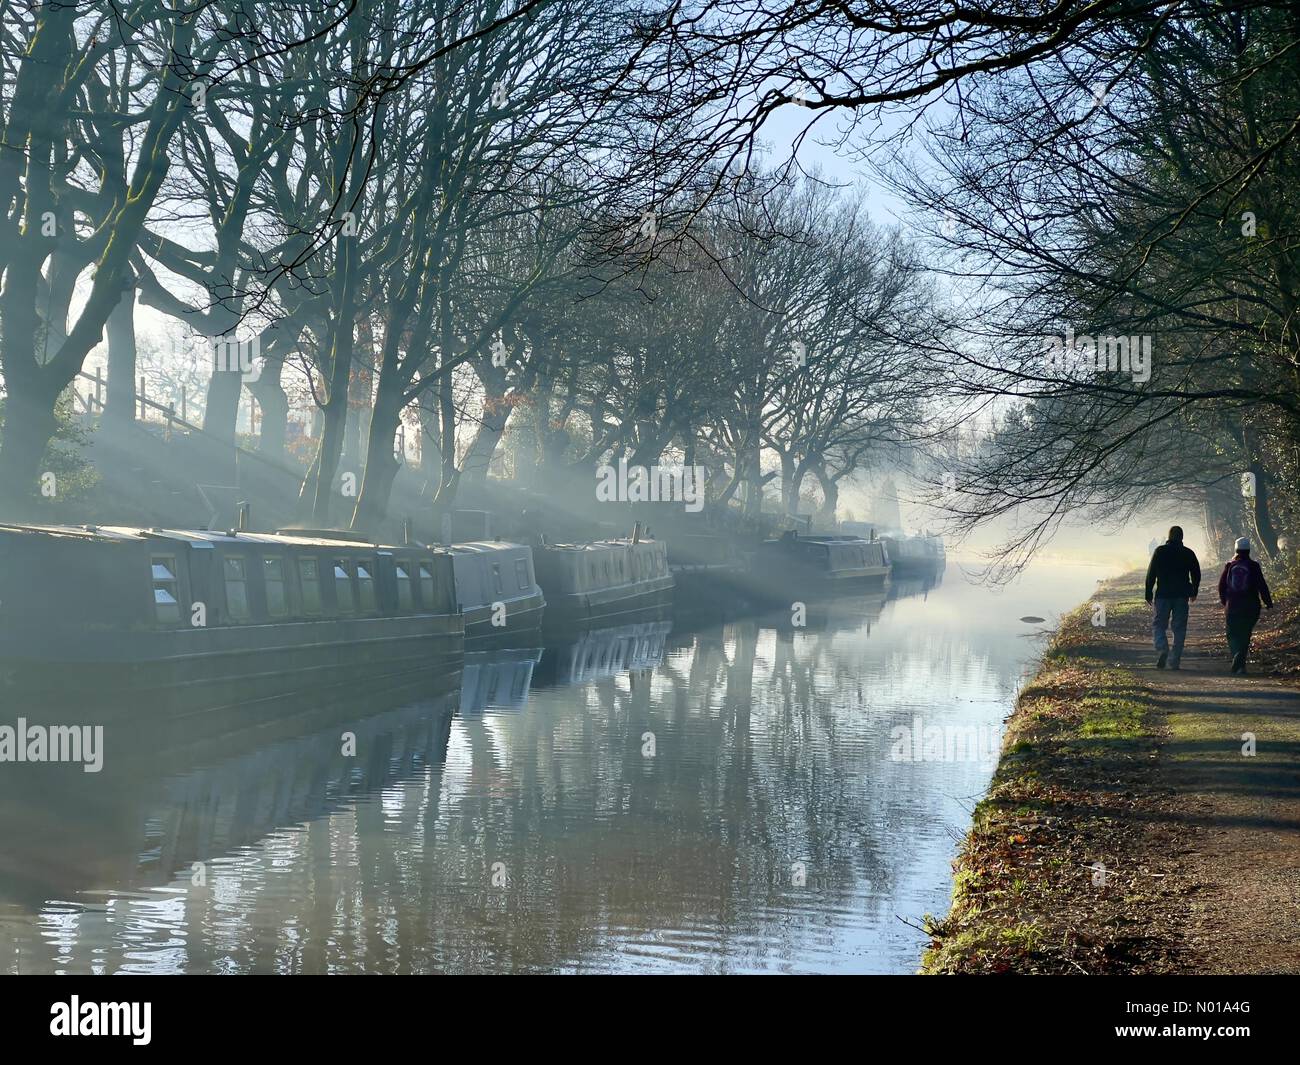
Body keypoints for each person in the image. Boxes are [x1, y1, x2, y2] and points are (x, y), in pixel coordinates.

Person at [1145, 525, 1201, 670]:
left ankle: (1162, 647)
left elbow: (1151, 573)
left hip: (1163, 594)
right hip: (1181, 596)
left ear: (1169, 536)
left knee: (1159, 624)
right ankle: (1175, 659)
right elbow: (1196, 573)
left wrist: (1148, 592)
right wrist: (1194, 590)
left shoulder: (1160, 551)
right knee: (1179, 628)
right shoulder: (1188, 553)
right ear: (1182, 537)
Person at [1217, 537, 1274, 674]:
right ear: (1249, 550)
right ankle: (1241, 662)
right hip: (1251, 606)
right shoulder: (1254, 566)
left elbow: (1221, 586)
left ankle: (1237, 655)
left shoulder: (1230, 565)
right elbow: (1262, 585)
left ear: (1236, 549)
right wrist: (1268, 602)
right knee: (1245, 633)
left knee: (1232, 633)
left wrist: (1225, 601)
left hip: (1233, 606)